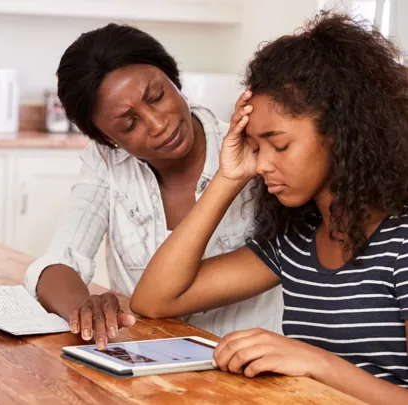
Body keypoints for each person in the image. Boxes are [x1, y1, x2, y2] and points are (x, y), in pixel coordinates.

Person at [130, 11, 408, 404]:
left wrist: (317, 362)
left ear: (339, 133)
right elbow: (154, 300)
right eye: (256, 148)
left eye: (279, 145)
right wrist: (229, 177)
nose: (261, 165)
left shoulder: (401, 246)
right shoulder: (295, 242)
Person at [24, 23, 283, 349]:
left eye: (157, 96)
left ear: (175, 81)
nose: (159, 124)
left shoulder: (250, 151)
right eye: (130, 123)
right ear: (109, 138)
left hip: (245, 372)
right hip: (147, 367)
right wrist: (84, 309)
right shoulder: (107, 162)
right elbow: (59, 260)